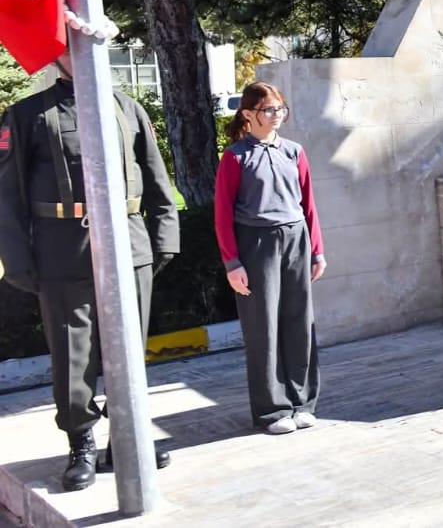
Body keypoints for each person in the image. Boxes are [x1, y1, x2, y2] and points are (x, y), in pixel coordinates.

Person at [0, 54, 179, 491]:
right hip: (63, 249)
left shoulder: (126, 107)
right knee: (72, 351)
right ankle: (81, 443)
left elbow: (155, 176)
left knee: (130, 348)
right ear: (56, 55)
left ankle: (127, 438)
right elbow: (6, 193)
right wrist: (18, 259)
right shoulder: (28, 114)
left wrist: (164, 236)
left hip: (128, 241)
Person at [215, 82, 327, 434]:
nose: (276, 115)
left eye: (280, 108)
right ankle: (272, 411)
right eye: (268, 110)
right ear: (248, 114)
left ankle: (302, 402)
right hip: (256, 243)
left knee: (299, 322)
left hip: (296, 239)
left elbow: (308, 203)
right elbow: (222, 213)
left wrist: (317, 251)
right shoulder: (235, 157)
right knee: (263, 327)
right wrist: (232, 263)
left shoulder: (294, 152)